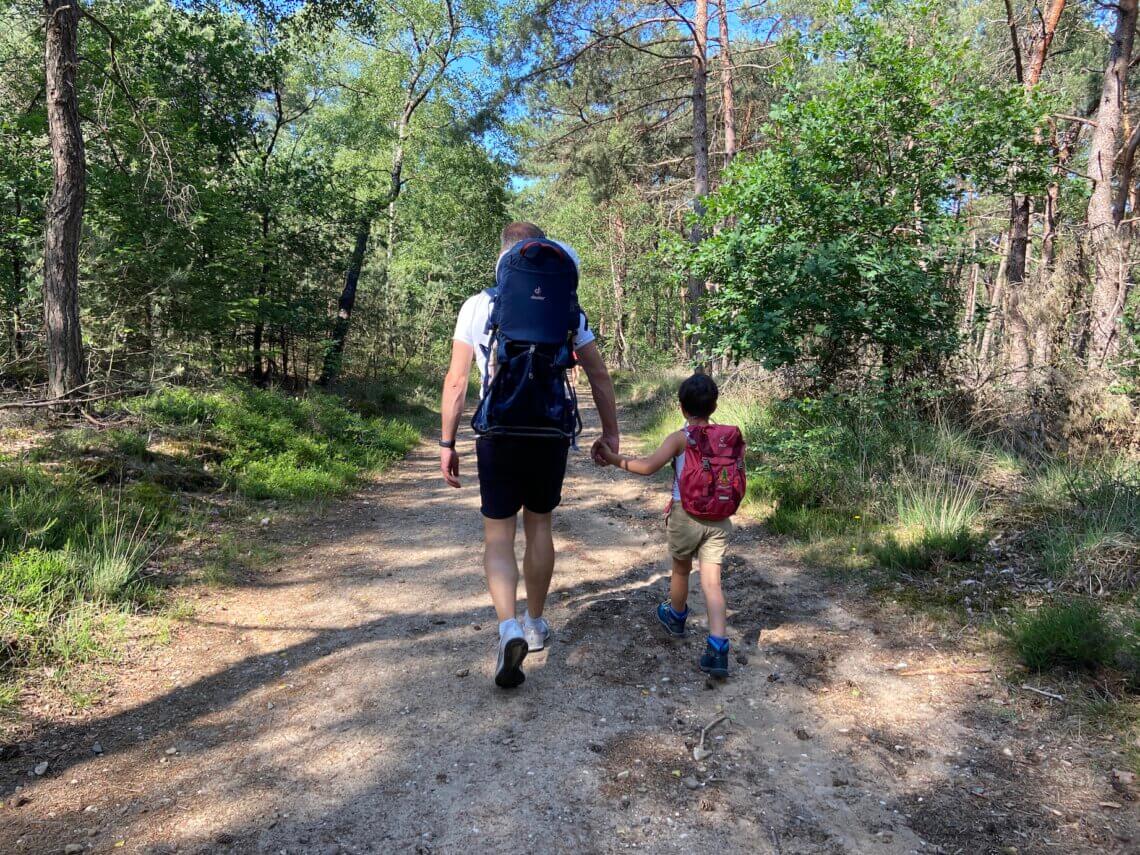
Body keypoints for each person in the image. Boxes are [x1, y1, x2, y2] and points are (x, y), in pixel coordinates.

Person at [440, 221, 620, 689]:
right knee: (539, 525)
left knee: (498, 537)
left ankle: (507, 628)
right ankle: (536, 624)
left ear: (503, 259)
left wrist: (447, 443)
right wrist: (611, 435)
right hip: (549, 430)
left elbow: (458, 380)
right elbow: (599, 377)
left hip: (498, 430)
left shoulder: (479, 306)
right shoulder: (567, 307)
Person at [593, 373, 737, 677]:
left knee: (681, 570)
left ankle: (676, 616)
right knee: (712, 582)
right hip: (720, 518)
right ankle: (719, 648)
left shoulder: (680, 438)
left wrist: (613, 458)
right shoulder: (729, 439)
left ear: (682, 408)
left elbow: (646, 468)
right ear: (714, 405)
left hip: (686, 515)